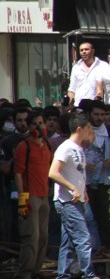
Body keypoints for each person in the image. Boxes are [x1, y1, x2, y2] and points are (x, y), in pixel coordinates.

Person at [48, 113, 99, 279]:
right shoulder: (66, 148)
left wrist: (83, 191)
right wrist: (72, 188)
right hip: (67, 201)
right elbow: (53, 173)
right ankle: (89, 275)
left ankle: (63, 275)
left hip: (77, 201)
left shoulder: (79, 149)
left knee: (68, 241)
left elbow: (77, 174)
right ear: (79, 129)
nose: (90, 131)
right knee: (83, 238)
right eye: (88, 128)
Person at [13, 111, 52, 279]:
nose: (39, 127)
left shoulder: (47, 145)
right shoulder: (24, 147)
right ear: (29, 127)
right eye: (35, 124)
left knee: (43, 236)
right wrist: (22, 199)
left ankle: (36, 270)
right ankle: (25, 273)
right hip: (31, 197)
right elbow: (18, 173)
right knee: (31, 237)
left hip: (44, 196)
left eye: (41, 123)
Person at [80, 100, 110, 252]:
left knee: (105, 219)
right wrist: (83, 164)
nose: (100, 118)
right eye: (96, 114)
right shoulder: (82, 131)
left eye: (102, 115)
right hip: (84, 184)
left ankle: (107, 250)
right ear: (89, 114)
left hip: (104, 182)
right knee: (88, 220)